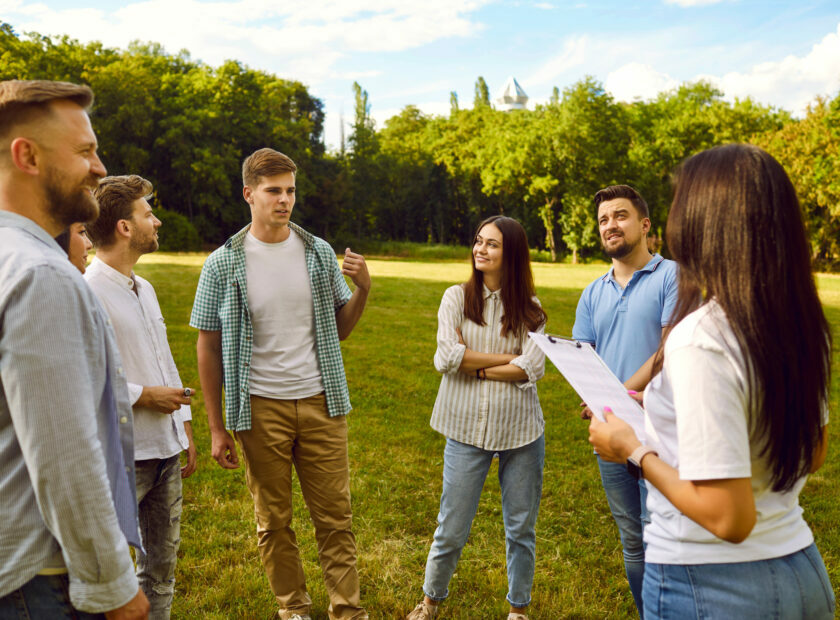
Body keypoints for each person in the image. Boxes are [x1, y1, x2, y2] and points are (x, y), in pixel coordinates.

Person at [589, 144, 835, 619]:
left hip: (709, 585)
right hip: (802, 572)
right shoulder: (801, 324)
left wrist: (633, 449)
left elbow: (730, 516)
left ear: (708, 221)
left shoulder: (700, 338)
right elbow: (814, 450)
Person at [190, 147, 371, 620]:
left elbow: (340, 328)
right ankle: (294, 609)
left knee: (336, 517)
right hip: (258, 409)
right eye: (274, 191)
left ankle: (347, 610)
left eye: (290, 190)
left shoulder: (317, 253)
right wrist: (216, 426)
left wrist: (364, 290)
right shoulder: (222, 263)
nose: (285, 200)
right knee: (273, 521)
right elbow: (207, 346)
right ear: (249, 194)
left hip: (322, 402)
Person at [0, 79, 149, 618]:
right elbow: (65, 456)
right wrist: (114, 588)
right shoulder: (41, 276)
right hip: (39, 582)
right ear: (28, 156)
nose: (100, 166)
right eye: (85, 151)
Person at [407, 215, 547, 620]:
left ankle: (518, 610)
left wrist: (476, 364)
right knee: (451, 525)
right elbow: (446, 357)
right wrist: (507, 358)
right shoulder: (455, 297)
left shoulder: (532, 310)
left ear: (512, 255)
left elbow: (532, 368)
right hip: (464, 428)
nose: (480, 249)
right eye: (478, 241)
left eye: (492, 244)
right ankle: (430, 601)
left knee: (521, 528)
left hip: (521, 432)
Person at [84, 174, 197, 619]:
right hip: (122, 458)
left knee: (161, 572)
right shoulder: (88, 290)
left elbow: (163, 356)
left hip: (166, 451)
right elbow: (84, 374)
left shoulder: (144, 288)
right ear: (124, 228)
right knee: (108, 575)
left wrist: (183, 428)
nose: (157, 221)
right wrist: (143, 396)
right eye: (148, 213)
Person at [571, 185, 677, 617]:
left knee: (664, 535)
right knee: (632, 540)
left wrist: (616, 394)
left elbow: (669, 350)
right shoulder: (592, 292)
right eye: (603, 220)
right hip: (611, 431)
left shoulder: (673, 275)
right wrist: (590, 395)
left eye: (620, 215)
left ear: (645, 224)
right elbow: (581, 358)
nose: (610, 225)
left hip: (662, 430)